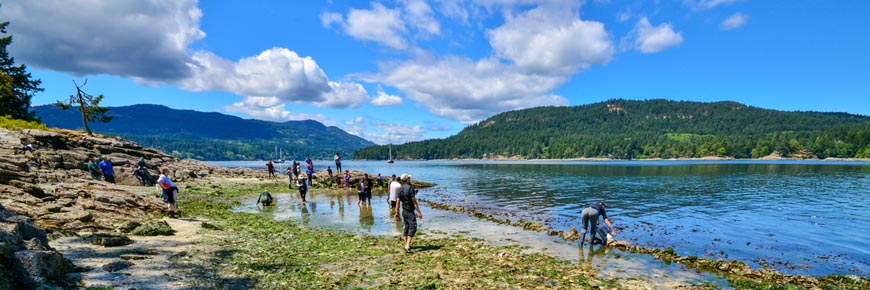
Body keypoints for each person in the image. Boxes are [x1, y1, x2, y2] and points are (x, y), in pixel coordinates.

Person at [396, 173, 422, 253]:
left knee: (406, 227)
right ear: (407, 179)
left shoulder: (400, 188)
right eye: (409, 178)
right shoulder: (410, 188)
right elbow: (414, 202)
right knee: (413, 227)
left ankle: (406, 244)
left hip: (404, 211)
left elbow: (397, 202)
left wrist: (397, 212)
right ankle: (407, 246)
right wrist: (419, 212)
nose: (410, 179)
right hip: (410, 211)